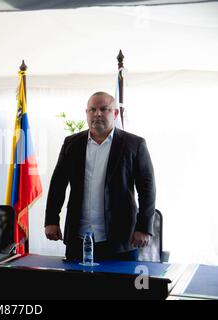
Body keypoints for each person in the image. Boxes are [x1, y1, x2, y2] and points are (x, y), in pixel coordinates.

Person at [45, 92, 156, 261]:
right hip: (78, 238)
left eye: (104, 109)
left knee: (120, 288)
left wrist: (144, 227)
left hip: (121, 240)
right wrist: (51, 220)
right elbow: (58, 184)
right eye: (92, 109)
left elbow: (147, 188)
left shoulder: (134, 144)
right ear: (86, 113)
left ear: (115, 113)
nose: (97, 113)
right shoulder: (71, 144)